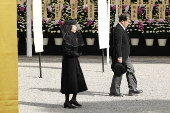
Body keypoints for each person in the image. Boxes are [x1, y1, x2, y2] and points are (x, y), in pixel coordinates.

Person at [110, 13, 143, 97]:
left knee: (129, 70)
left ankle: (132, 89)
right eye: (127, 21)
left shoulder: (122, 28)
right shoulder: (118, 29)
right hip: (121, 55)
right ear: (122, 21)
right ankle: (115, 91)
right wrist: (119, 56)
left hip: (124, 55)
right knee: (119, 71)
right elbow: (118, 44)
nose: (128, 22)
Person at [60, 20, 88, 108]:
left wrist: (76, 55)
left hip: (74, 61)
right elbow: (66, 51)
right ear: (70, 27)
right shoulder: (67, 37)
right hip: (68, 62)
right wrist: (74, 54)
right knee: (69, 80)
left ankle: (74, 99)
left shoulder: (73, 36)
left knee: (77, 78)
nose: (76, 27)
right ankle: (67, 101)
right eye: (75, 26)